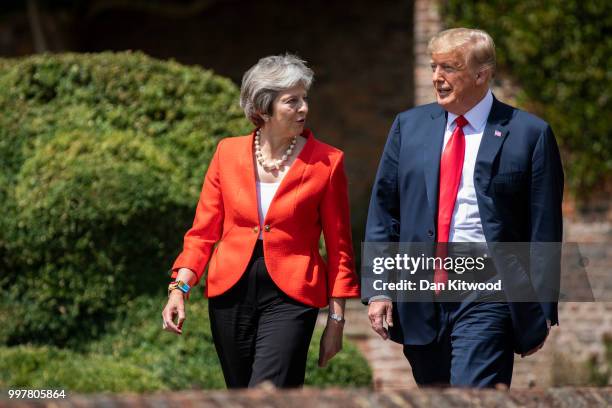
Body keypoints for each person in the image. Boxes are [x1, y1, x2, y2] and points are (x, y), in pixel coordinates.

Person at [365, 28, 563, 387]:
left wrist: (543, 306)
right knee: (435, 394)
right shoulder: (407, 127)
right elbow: (384, 212)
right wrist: (380, 288)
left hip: (488, 292)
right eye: (434, 66)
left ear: (481, 74)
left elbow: (544, 226)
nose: (437, 78)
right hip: (421, 293)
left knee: (473, 394)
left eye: (450, 68)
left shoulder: (528, 134)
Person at [161, 54, 360, 388]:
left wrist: (336, 321)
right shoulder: (227, 153)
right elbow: (203, 232)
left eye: (304, 99)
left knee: (267, 392)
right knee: (241, 393)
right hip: (230, 291)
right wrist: (179, 288)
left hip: (293, 294)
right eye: (291, 101)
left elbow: (340, 248)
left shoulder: (328, 162)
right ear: (263, 108)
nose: (304, 108)